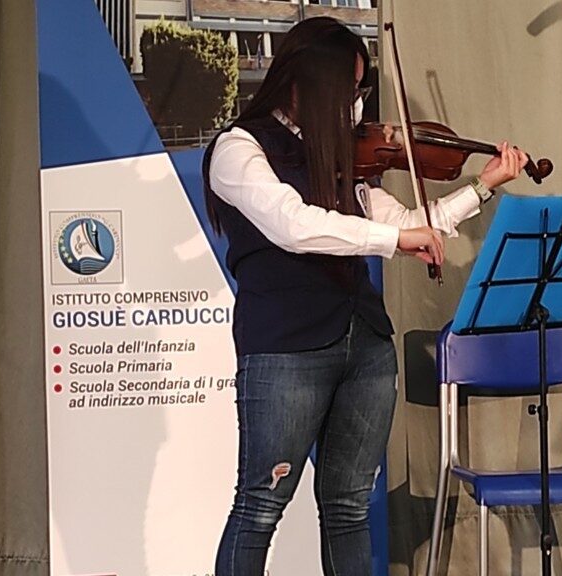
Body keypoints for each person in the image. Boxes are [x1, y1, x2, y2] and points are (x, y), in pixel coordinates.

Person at [202, 16, 530, 576]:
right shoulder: (239, 149)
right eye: (348, 89)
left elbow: (407, 223)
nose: (356, 105)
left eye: (360, 90)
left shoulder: (344, 157)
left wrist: (484, 186)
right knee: (260, 506)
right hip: (286, 348)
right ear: (305, 82)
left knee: (348, 508)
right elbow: (294, 225)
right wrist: (396, 241)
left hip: (366, 347)